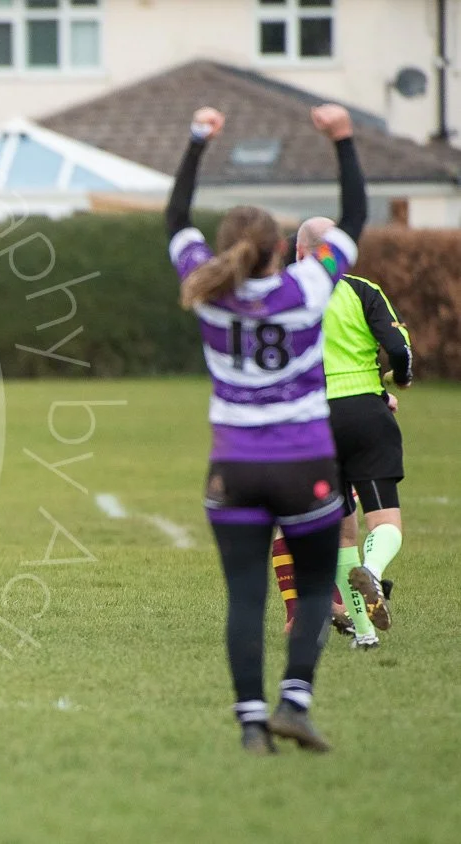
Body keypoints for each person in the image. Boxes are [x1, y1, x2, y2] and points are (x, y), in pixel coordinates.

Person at [166, 103, 366, 753]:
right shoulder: (309, 285)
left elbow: (174, 218)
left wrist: (198, 142)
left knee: (245, 597)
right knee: (313, 587)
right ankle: (295, 703)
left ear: (225, 249)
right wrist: (342, 140)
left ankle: (253, 726)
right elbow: (356, 217)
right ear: (282, 248)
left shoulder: (204, 282)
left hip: (234, 466)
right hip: (304, 460)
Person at [285, 219, 411, 650]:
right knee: (385, 519)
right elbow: (398, 349)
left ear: (299, 251)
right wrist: (399, 379)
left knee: (341, 533)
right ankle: (373, 571)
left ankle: (365, 632)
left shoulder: (286, 293)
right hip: (364, 412)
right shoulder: (363, 290)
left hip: (312, 421)